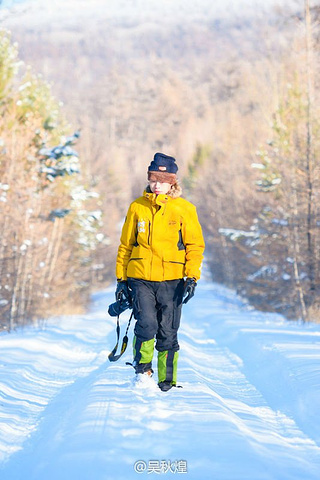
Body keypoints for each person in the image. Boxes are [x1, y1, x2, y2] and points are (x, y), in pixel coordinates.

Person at [115, 152, 205, 391]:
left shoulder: (185, 209)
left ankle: (167, 379)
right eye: (153, 179)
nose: (157, 185)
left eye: (162, 181)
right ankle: (142, 370)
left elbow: (195, 245)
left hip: (173, 280)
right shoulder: (137, 207)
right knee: (146, 324)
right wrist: (121, 280)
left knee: (168, 330)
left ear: (172, 182)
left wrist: (192, 277)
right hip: (140, 277)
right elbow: (126, 245)